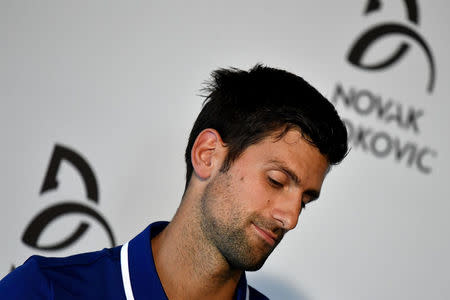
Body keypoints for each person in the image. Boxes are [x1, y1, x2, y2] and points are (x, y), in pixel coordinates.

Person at [0, 64, 348, 299]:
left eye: (305, 200)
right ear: (208, 154)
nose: (291, 218)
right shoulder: (43, 291)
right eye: (276, 181)